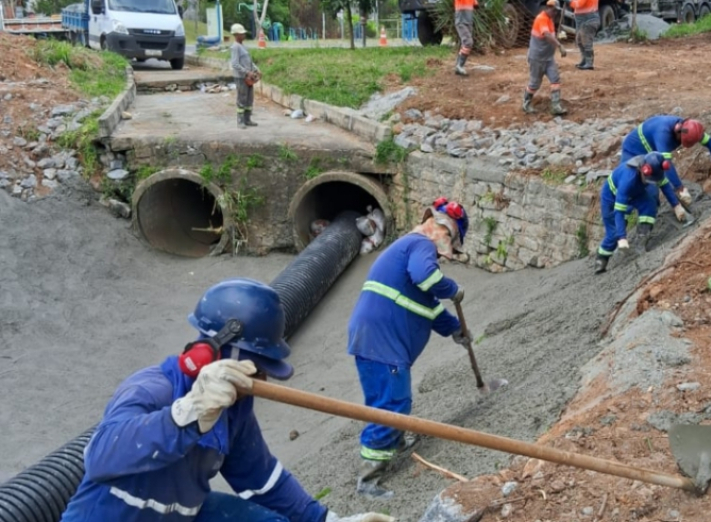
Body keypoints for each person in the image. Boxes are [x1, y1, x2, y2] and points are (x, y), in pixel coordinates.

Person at [60, 278, 391, 522]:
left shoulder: (234, 410)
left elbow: (262, 481)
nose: (262, 379)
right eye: (259, 367)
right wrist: (186, 415)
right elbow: (100, 456)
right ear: (218, 350)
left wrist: (326, 521)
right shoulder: (153, 388)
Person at [347, 197, 471, 494]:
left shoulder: (406, 251)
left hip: (372, 337)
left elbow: (429, 307)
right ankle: (369, 477)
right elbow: (426, 277)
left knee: (385, 399)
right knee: (393, 403)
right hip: (382, 340)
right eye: (449, 247)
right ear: (443, 231)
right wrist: (453, 289)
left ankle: (395, 441)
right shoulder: (420, 245)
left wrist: (457, 329)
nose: (442, 258)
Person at [594, 152, 688, 274]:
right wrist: (622, 237)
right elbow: (619, 211)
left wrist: (677, 206)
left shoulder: (655, 167)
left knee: (649, 205)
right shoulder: (628, 180)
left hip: (636, 192)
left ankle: (641, 240)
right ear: (642, 170)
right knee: (614, 233)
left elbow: (664, 185)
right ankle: (601, 258)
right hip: (612, 198)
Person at [621, 115, 711, 206]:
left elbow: (710, 142)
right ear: (678, 131)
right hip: (633, 151)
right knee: (645, 189)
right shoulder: (663, 134)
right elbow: (666, 164)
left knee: (653, 194)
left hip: (652, 153)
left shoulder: (691, 129)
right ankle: (626, 217)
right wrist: (680, 189)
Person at [523, 0, 567, 115]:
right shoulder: (541, 18)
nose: (555, 13)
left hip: (548, 57)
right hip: (537, 58)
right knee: (535, 83)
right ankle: (526, 103)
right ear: (548, 8)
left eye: (557, 11)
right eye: (554, 11)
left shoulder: (550, 20)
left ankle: (555, 106)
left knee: (555, 79)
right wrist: (559, 45)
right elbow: (546, 35)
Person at [230, 23, 261, 129]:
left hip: (248, 77)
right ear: (236, 35)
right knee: (242, 99)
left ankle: (248, 119)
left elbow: (249, 61)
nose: (244, 35)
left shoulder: (243, 46)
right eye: (242, 34)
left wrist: (256, 69)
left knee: (249, 99)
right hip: (241, 77)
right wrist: (246, 72)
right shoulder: (235, 47)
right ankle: (240, 121)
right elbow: (235, 64)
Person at [569, 0, 600, 70]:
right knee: (579, 41)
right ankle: (584, 60)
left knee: (586, 41)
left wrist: (568, 1)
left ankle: (589, 62)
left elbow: (578, 4)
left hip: (588, 19)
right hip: (583, 19)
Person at [454, 0, 477, 76]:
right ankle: (460, 66)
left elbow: (476, 5)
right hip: (461, 21)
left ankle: (458, 66)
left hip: (468, 22)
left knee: (465, 43)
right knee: (468, 42)